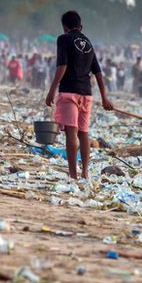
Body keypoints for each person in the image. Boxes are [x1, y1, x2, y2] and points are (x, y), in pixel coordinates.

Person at [45, 10, 114, 180]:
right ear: (80, 27)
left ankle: (73, 175)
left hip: (69, 92)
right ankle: (85, 173)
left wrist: (52, 89)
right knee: (83, 133)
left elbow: (62, 65)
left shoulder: (64, 39)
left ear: (64, 27)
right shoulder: (89, 44)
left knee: (71, 133)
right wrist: (104, 98)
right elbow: (98, 73)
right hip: (86, 94)